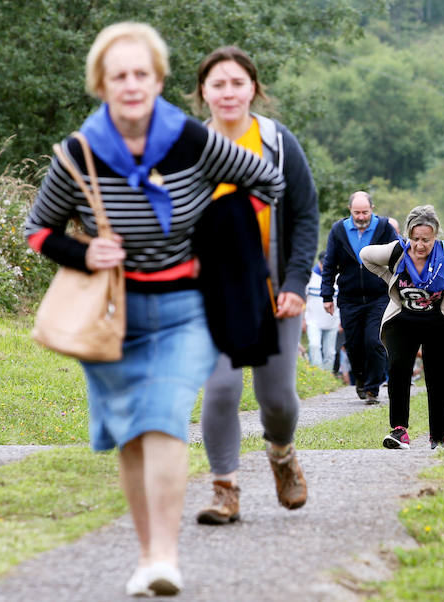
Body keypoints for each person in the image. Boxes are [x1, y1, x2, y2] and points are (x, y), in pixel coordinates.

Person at [24, 24, 284, 597]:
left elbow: (267, 180)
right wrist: (85, 251)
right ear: (101, 85)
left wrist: (217, 232)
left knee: (164, 417)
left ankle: (165, 557)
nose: (132, 84)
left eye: (142, 73)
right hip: (113, 314)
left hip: (185, 308)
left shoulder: (190, 140)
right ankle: (147, 556)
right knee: (133, 435)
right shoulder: (78, 153)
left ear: (159, 80)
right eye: (119, 75)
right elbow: (38, 230)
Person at [190, 45, 318, 526]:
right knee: (221, 389)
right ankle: (224, 491)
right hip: (214, 294)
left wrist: (296, 283)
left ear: (253, 89)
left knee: (277, 399)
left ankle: (281, 454)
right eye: (218, 84)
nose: (228, 92)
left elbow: (305, 214)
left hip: (273, 291)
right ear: (203, 92)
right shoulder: (189, 148)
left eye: (237, 83)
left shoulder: (278, 143)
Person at [361, 206, 444, 450]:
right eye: (415, 239)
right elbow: (365, 255)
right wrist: (389, 278)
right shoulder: (397, 251)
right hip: (403, 320)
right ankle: (399, 431)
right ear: (408, 235)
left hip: (439, 321)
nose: (419, 245)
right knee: (398, 369)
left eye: (426, 240)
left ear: (435, 236)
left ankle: (439, 437)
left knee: (439, 377)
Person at [321, 191, 398, 404]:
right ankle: (361, 380)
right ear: (350, 210)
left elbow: (399, 255)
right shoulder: (338, 230)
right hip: (349, 298)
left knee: (374, 341)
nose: (361, 217)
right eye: (357, 213)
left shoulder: (384, 227)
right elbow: (329, 264)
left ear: (372, 209)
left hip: (378, 296)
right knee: (353, 345)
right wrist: (327, 295)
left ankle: (373, 388)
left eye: (365, 212)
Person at [306, 251, 339, 371]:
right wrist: (303, 320)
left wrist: (341, 321)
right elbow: (303, 299)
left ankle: (327, 376)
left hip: (333, 321)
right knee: (314, 346)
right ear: (319, 263)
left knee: (330, 352)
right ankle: (317, 374)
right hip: (313, 321)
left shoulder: (338, 277)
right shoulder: (310, 277)